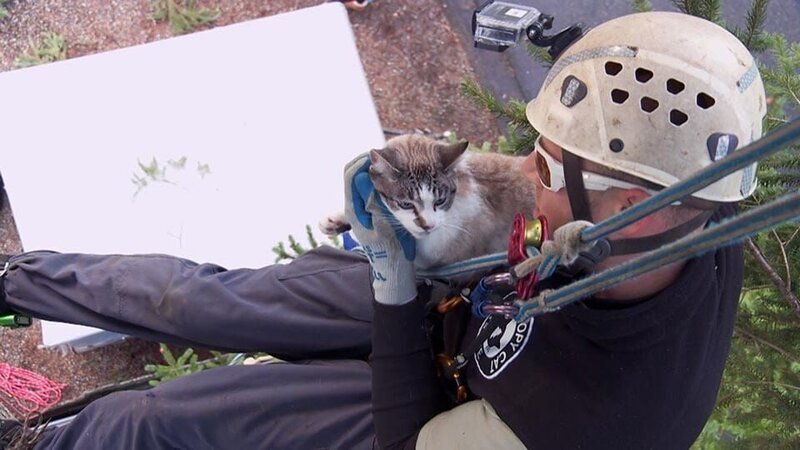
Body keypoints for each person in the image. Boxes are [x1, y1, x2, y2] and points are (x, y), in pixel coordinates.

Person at [0, 11, 766, 449]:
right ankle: (16, 282)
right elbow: (542, 197)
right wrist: (423, 180)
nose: (526, 173)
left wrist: (392, 288)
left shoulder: (595, 422)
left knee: (165, 421)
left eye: (546, 163)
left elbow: (409, 444)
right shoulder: (687, 206)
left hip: (434, 407)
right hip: (456, 304)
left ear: (645, 208)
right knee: (203, 298)